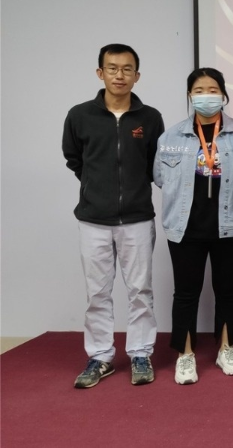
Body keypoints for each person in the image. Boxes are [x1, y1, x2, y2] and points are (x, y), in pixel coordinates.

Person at [62, 43, 164, 388]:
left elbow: (154, 163)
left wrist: (131, 189)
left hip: (137, 219)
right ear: (100, 73)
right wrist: (98, 187)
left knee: (140, 291)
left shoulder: (150, 118)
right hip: (93, 219)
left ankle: (140, 353)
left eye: (126, 69)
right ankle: (100, 356)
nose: (119, 75)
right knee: (97, 293)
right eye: (112, 68)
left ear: (137, 75)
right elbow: (74, 158)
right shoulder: (80, 115)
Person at [153, 68, 233, 385]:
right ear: (189, 95)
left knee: (228, 291)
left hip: (230, 225)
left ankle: (226, 348)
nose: (206, 96)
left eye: (213, 90)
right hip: (185, 227)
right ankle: (185, 354)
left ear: (223, 94)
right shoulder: (171, 136)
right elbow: (160, 177)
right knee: (186, 293)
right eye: (199, 90)